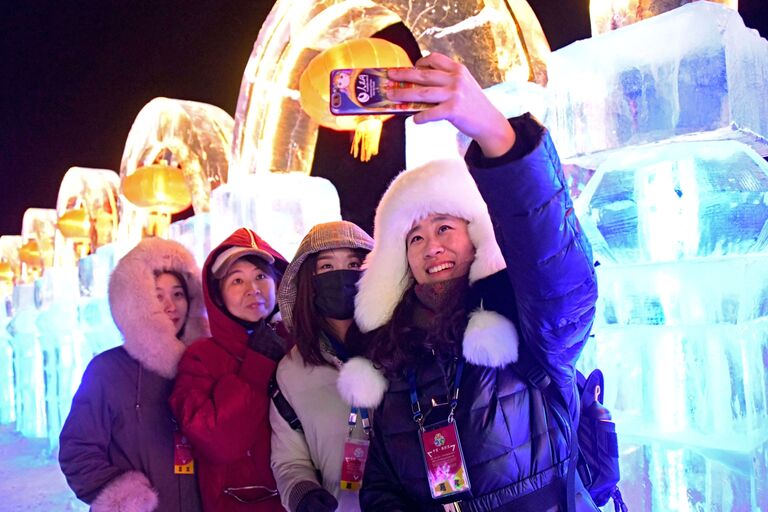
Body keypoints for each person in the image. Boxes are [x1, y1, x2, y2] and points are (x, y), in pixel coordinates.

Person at [339, 53, 600, 511]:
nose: (431, 247)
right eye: (414, 238)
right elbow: (379, 485)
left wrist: (496, 133)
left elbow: (557, 271)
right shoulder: (390, 357)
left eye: (444, 228)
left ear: (476, 233)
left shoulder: (527, 322)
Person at [59, 237, 208, 512]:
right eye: (157, 295)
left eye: (177, 294)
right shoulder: (108, 370)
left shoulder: (204, 365)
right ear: (135, 301)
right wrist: (124, 499)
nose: (170, 306)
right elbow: (77, 450)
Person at [169, 227, 289, 511]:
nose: (253, 289)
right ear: (218, 296)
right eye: (237, 280)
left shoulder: (301, 346)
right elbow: (218, 441)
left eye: (261, 276)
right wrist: (258, 365)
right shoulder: (200, 358)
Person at [269, 221, 378, 512]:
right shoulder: (292, 370)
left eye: (354, 263)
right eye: (327, 267)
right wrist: (303, 494)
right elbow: (290, 460)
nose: (341, 276)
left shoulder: (400, 347)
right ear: (309, 282)